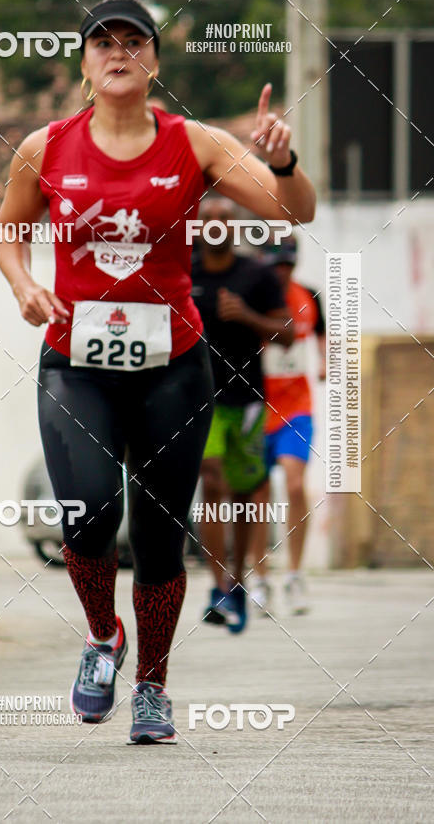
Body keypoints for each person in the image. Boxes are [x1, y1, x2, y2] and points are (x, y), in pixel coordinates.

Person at [0, 0, 315, 744]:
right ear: (83, 62)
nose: (118, 51)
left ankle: (153, 687)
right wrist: (23, 283)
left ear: (154, 61)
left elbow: (292, 212)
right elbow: (7, 230)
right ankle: (103, 638)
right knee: (90, 512)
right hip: (76, 364)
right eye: (102, 42)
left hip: (173, 365)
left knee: (163, 536)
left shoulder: (196, 145)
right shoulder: (45, 147)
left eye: (133, 40)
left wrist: (284, 162)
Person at [192, 199, 295, 634]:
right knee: (211, 481)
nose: (216, 226)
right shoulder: (183, 273)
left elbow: (288, 332)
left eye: (224, 220)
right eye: (208, 220)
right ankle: (217, 584)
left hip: (247, 398)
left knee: (243, 492)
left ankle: (237, 581)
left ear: (234, 228)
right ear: (196, 228)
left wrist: (247, 315)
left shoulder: (257, 275)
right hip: (198, 398)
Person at [251, 237, 326, 615]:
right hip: (259, 407)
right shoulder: (252, 295)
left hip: (297, 406)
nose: (282, 273)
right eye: (275, 266)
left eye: (288, 265)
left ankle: (295, 575)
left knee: (295, 484)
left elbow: (320, 331)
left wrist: (326, 361)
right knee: (257, 494)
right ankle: (260, 578)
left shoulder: (309, 296)